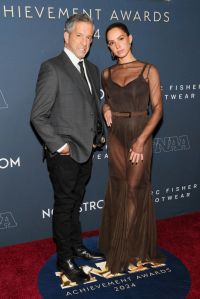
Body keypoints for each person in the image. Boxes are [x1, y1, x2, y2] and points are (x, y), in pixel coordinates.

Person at [31, 13, 105, 284]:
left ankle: (76, 246)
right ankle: (65, 259)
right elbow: (38, 115)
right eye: (79, 35)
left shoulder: (93, 69)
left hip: (86, 150)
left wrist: (99, 133)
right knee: (64, 206)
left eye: (89, 37)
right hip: (64, 154)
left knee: (75, 203)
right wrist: (60, 145)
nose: (85, 42)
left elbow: (91, 107)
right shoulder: (52, 67)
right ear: (66, 36)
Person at [99, 22, 165, 274]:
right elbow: (107, 101)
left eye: (120, 39)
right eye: (111, 43)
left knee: (134, 189)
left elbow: (158, 109)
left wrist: (141, 140)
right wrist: (105, 109)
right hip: (116, 135)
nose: (117, 46)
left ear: (130, 38)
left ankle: (125, 247)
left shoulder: (149, 70)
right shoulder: (106, 74)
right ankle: (118, 240)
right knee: (119, 187)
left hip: (140, 133)